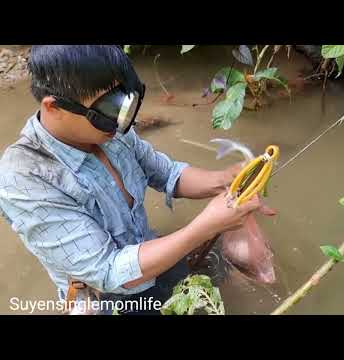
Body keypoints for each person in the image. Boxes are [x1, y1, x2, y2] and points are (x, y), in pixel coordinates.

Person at [0, 45, 261, 314]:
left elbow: (167, 173)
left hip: (148, 254)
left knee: (221, 274)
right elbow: (108, 271)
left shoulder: (108, 128)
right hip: (105, 297)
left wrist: (227, 180)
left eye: (122, 101)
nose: (120, 121)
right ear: (54, 108)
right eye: (107, 108)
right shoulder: (22, 179)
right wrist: (204, 226)